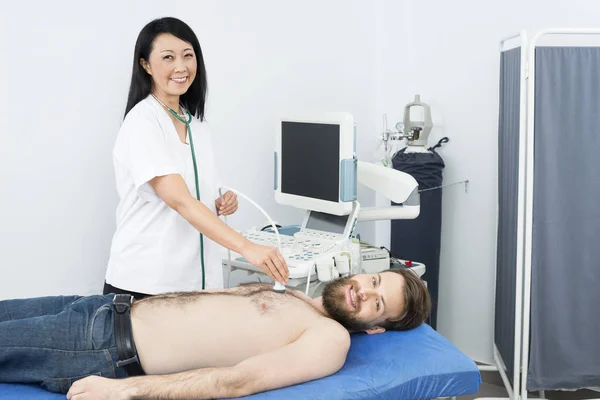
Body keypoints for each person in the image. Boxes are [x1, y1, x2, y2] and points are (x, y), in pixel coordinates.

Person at [0, 268, 430, 399]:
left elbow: (239, 379)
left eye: (377, 303)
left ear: (376, 327)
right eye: (373, 280)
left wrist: (126, 392)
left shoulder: (329, 338)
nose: (363, 291)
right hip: (101, 306)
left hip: (101, 346)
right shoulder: (295, 295)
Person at [103, 16, 288, 299]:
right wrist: (247, 247)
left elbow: (191, 195)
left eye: (188, 56)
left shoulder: (196, 125)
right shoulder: (142, 122)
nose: (181, 66)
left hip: (197, 283)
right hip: (146, 284)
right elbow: (179, 200)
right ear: (146, 65)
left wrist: (217, 201)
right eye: (168, 57)